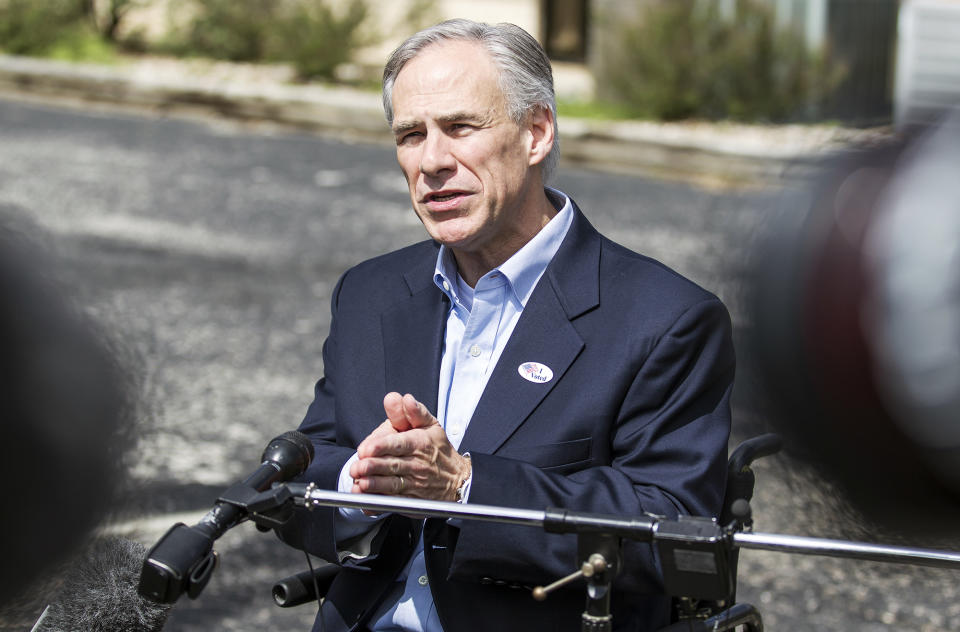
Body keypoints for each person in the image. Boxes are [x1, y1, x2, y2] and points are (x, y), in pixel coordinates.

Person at [278, 19, 734, 632]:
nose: (433, 161)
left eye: (460, 127)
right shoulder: (370, 292)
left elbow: (669, 535)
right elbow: (304, 472)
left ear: (537, 132)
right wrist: (359, 487)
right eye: (410, 135)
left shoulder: (666, 319)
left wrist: (466, 487)